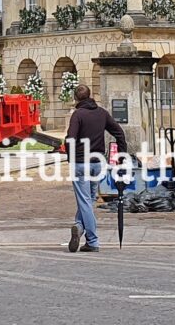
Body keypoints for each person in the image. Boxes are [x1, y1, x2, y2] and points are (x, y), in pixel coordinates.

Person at [64, 84, 127, 253]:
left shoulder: (78, 115)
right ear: (90, 95)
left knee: (84, 200)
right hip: (98, 163)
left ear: (76, 98)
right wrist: (121, 156)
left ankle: (92, 240)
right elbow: (119, 133)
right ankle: (79, 226)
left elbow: (70, 138)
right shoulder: (102, 113)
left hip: (81, 162)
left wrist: (71, 158)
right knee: (90, 198)